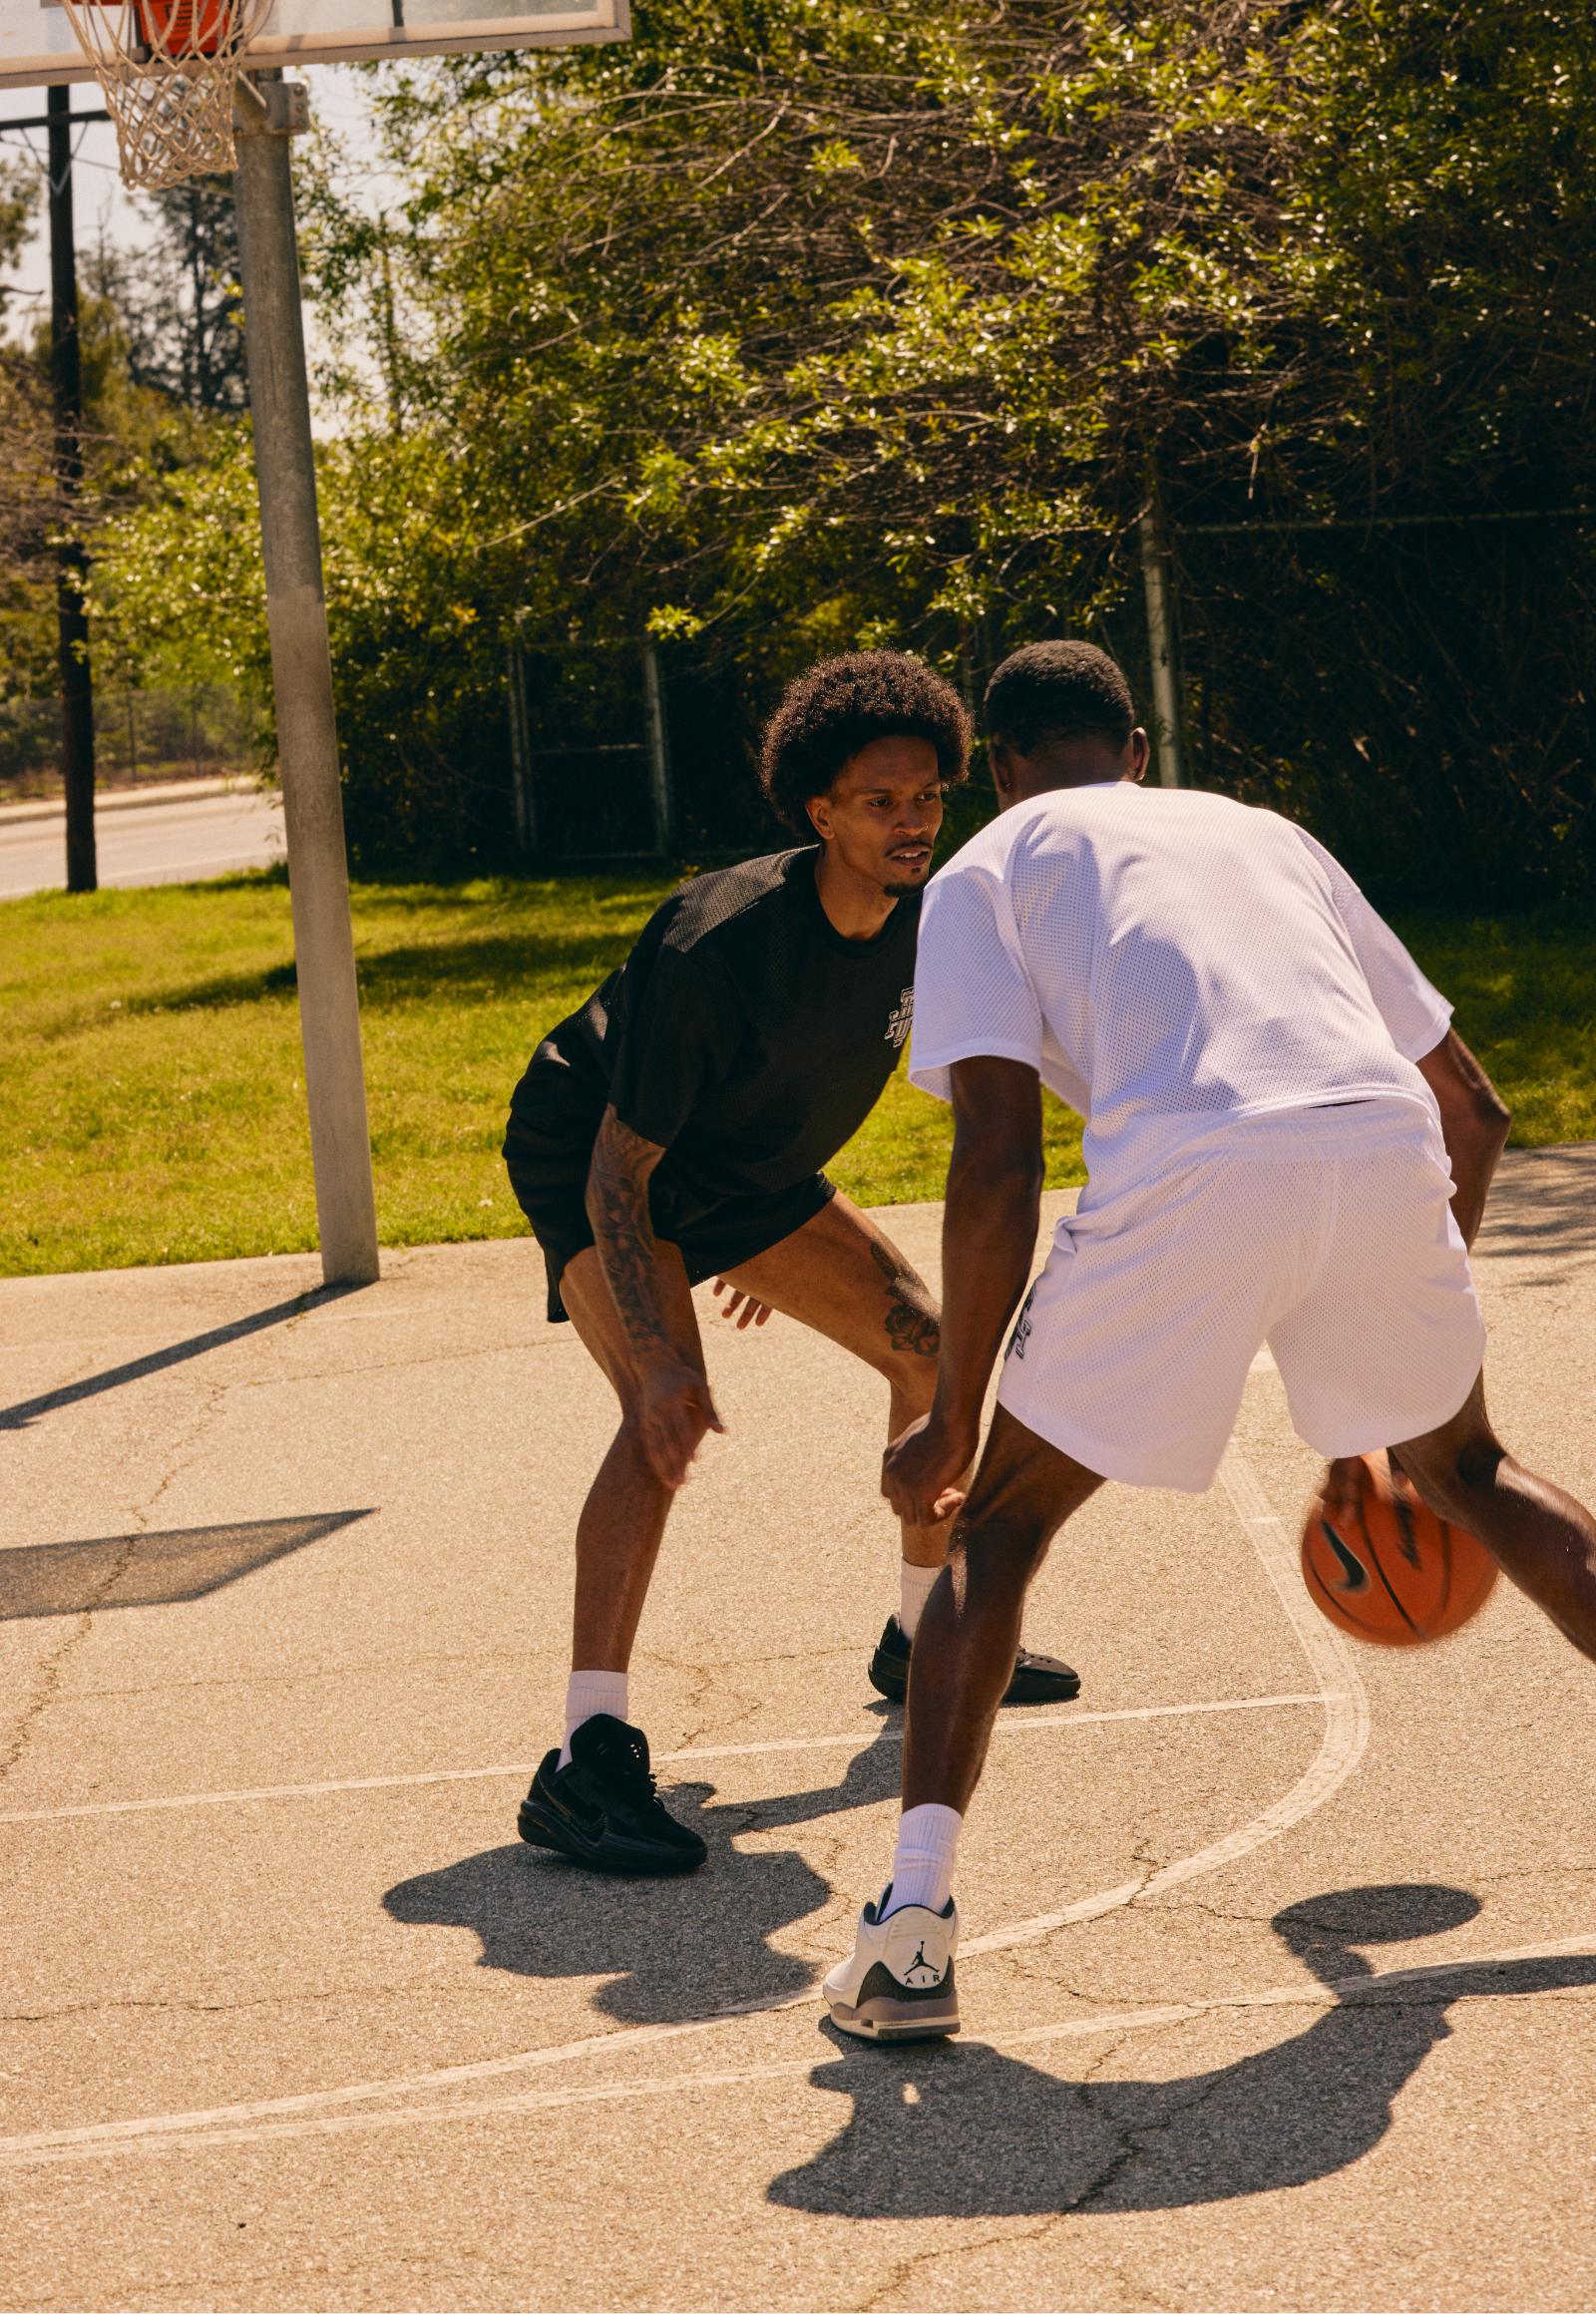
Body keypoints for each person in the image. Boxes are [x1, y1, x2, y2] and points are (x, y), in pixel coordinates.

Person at [823, 636, 1596, 2042]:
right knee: (1474, 1472)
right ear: (1136, 750)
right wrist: (1392, 1375)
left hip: (1189, 1160)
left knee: (996, 1533)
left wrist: (954, 1407)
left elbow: (997, 1155)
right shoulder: (1268, 835)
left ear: (998, 772)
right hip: (1378, 1140)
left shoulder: (988, 871)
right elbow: (1471, 1109)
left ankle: (912, 1938)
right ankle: (913, 1933)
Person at [503, 649, 1080, 1880]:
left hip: (747, 1172)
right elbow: (620, 1169)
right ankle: (584, 1758)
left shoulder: (939, 915)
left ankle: (920, 1631)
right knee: (661, 1420)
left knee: (926, 1346)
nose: (912, 822)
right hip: (603, 1155)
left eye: (928, 796)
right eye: (881, 802)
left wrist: (758, 1235)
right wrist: (659, 1356)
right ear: (818, 811)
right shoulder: (721, 943)